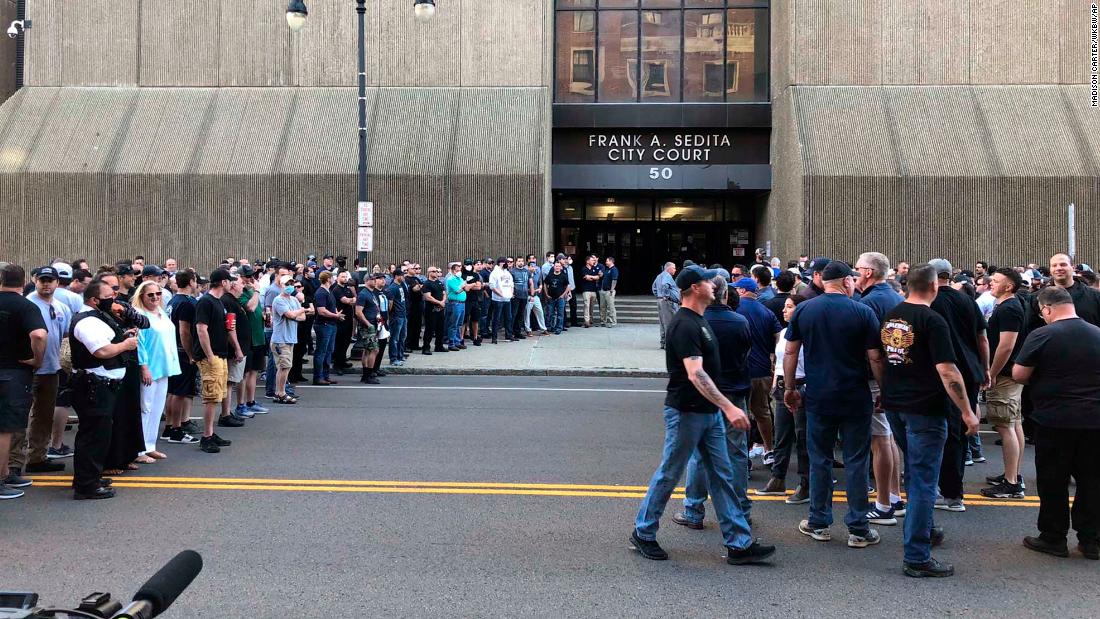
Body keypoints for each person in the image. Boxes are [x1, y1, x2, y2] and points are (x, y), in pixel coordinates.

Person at [631, 266, 775, 565]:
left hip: (707, 413)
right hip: (686, 412)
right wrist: (729, 407)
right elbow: (695, 374)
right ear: (695, 288)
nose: (714, 285)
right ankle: (643, 532)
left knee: (722, 475)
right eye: (708, 281)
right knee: (670, 473)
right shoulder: (685, 324)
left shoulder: (701, 320)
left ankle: (739, 543)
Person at [878, 264, 980, 577]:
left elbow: (882, 358)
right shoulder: (932, 320)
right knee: (923, 480)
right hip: (925, 408)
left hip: (897, 405)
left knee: (915, 472)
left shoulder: (892, 314)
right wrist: (967, 411)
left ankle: (925, 529)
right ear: (935, 286)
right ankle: (917, 556)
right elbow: (948, 370)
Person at [784, 261, 885, 548]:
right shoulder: (862, 311)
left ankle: (819, 522)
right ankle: (859, 527)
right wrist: (884, 389)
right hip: (855, 395)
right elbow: (875, 357)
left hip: (819, 395)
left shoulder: (804, 309)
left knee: (820, 459)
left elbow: (791, 352)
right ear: (846, 282)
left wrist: (790, 387)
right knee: (856, 460)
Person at [1012, 286, 1100, 560]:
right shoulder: (1097, 333)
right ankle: (1091, 540)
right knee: (1092, 481)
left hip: (1055, 419)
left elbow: (1019, 374)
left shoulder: (1042, 335)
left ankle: (1053, 537)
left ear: (1046, 309)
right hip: (1094, 420)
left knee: (1053, 480)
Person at [672, 276, 754, 529]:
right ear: (726, 295)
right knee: (736, 453)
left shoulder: (698, 322)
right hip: (734, 391)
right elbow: (746, 352)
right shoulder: (740, 322)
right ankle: (740, 508)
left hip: (704, 395)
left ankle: (694, 509)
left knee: (699, 455)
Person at [927, 259, 990, 513]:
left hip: (943, 373)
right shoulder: (967, 300)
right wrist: (985, 368)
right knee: (961, 432)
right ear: (949, 275)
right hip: (970, 370)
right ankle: (954, 490)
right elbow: (982, 338)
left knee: (942, 433)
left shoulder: (929, 302)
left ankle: (948, 492)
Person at [68, 280, 136, 500]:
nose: (113, 299)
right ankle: (86, 485)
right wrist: (126, 345)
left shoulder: (98, 316)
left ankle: (89, 477)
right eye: (108, 296)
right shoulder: (87, 321)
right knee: (93, 436)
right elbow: (102, 351)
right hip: (94, 386)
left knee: (99, 434)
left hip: (102, 385)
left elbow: (108, 342)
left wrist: (123, 337)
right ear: (94, 300)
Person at [854, 251, 905, 525]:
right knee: (889, 438)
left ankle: (884, 504)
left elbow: (872, 351)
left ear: (868, 272)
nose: (855, 273)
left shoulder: (869, 302)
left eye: (858, 268)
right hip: (892, 376)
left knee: (881, 439)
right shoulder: (895, 297)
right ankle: (894, 497)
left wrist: (882, 386)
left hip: (877, 378)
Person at [0, 264, 47, 498]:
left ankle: (7, 474)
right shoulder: (26, 306)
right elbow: (39, 334)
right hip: (13, 373)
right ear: (24, 281)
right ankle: (1, 479)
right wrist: (37, 359)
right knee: (5, 429)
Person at [980, 267, 1027, 499]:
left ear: (1008, 286)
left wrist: (992, 372)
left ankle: (1011, 484)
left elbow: (1006, 345)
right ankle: (1013, 475)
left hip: (1005, 375)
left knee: (1005, 427)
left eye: (996, 281)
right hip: (1009, 375)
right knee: (1013, 424)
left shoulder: (1009, 308)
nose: (991, 283)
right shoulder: (1008, 305)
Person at [759, 294, 809, 501]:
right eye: (785, 306)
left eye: (789, 307)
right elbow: (779, 362)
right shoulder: (783, 332)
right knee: (781, 435)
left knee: (802, 436)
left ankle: (805, 483)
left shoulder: (808, 332)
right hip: (781, 386)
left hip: (800, 386)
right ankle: (777, 478)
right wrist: (774, 384)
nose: (784, 310)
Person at [732, 277, 782, 465]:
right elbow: (778, 337)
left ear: (743, 291)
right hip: (762, 370)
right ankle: (768, 450)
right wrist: (773, 360)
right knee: (763, 412)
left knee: (740, 413)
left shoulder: (735, 310)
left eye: (737, 289)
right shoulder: (766, 312)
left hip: (740, 371)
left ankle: (743, 457)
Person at [132, 279, 179, 462]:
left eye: (158, 293)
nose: (155, 297)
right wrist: (144, 367)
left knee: (157, 409)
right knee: (145, 408)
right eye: (150, 294)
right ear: (142, 296)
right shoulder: (139, 315)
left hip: (164, 366)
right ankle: (139, 450)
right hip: (149, 368)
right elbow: (139, 343)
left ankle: (149, 445)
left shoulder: (161, 312)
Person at [193, 269, 237, 453]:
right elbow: (201, 329)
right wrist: (210, 355)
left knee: (218, 394)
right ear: (223, 282)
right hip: (211, 357)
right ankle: (206, 437)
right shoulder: (206, 301)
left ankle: (210, 432)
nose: (232, 284)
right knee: (211, 397)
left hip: (221, 354)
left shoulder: (218, 301)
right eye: (229, 281)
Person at [272, 275, 312, 403]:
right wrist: (301, 310)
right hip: (281, 339)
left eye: (291, 284)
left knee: (285, 367)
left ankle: (279, 392)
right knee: (284, 366)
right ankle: (281, 393)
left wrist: (296, 313)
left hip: (290, 338)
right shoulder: (278, 300)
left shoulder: (294, 300)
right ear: (281, 285)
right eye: (286, 284)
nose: (289, 286)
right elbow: (290, 314)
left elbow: (302, 317)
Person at [311, 271, 342, 385]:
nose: (334, 279)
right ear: (328, 279)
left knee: (329, 351)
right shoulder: (321, 292)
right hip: (323, 325)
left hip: (331, 324)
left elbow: (331, 307)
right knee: (321, 352)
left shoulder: (329, 291)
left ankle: (325, 375)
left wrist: (336, 314)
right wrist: (335, 315)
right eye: (332, 277)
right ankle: (318, 377)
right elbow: (321, 311)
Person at [354, 274, 382, 384]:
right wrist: (368, 324)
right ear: (366, 281)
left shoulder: (371, 293)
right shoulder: (363, 294)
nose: (375, 281)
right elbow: (358, 312)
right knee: (374, 350)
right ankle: (369, 375)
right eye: (372, 279)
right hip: (367, 326)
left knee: (367, 350)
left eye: (375, 279)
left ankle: (365, 375)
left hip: (374, 324)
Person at [331, 271, 358, 373]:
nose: (345, 278)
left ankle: (342, 360)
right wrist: (352, 300)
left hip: (348, 318)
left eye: (346, 276)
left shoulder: (347, 288)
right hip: (340, 319)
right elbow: (345, 300)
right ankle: (337, 365)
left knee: (346, 341)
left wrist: (352, 299)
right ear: (337, 277)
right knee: (339, 342)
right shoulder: (336, 289)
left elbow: (355, 299)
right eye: (342, 276)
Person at [652, 262, 679, 349]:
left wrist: (659, 296)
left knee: (662, 322)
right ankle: (668, 344)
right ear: (668, 268)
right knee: (669, 322)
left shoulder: (659, 276)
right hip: (667, 302)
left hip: (660, 301)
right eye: (674, 268)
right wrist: (666, 296)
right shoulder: (667, 276)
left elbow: (654, 287)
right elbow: (664, 285)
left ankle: (663, 342)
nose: (675, 270)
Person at [385, 269, 409, 365]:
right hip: (396, 316)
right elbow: (390, 303)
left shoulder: (400, 286)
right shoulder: (392, 288)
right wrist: (390, 315)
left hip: (403, 314)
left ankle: (400, 355)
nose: (403, 277)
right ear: (396, 276)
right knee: (394, 338)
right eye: (402, 275)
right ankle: (393, 358)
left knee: (402, 337)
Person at [421, 266, 447, 354]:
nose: (436, 273)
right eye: (434, 271)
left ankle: (439, 346)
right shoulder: (427, 284)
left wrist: (443, 302)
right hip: (431, 309)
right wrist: (439, 303)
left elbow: (444, 293)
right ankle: (426, 348)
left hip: (440, 309)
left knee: (440, 328)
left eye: (437, 271)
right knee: (429, 329)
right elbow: (428, 297)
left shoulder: (439, 282)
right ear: (429, 272)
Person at [488, 257, 515, 344]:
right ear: (501, 263)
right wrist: (500, 294)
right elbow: (492, 286)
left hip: (507, 299)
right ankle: (494, 337)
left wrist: (511, 293)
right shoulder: (495, 273)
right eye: (505, 262)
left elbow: (511, 284)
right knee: (497, 318)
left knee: (508, 317)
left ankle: (509, 335)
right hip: (498, 299)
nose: (507, 264)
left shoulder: (507, 272)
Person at [444, 262, 468, 351]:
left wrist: (465, 286)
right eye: (457, 270)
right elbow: (457, 291)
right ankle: (451, 343)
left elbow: (466, 288)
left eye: (460, 270)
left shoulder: (460, 279)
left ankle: (457, 342)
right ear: (453, 270)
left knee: (459, 324)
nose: (459, 272)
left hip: (462, 303)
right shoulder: (450, 279)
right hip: (455, 303)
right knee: (453, 324)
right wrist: (464, 286)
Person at [543, 261, 569, 335]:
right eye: (556, 266)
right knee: (549, 314)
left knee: (560, 314)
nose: (557, 267)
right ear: (554, 267)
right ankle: (549, 327)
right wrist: (546, 294)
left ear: (561, 267)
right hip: (551, 298)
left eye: (559, 266)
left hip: (560, 298)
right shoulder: (550, 275)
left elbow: (568, 286)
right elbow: (545, 284)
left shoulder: (563, 276)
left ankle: (558, 328)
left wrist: (563, 295)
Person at [510, 257, 532, 338]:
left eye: (522, 261)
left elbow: (530, 283)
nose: (521, 262)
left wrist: (531, 294)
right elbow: (510, 284)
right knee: (514, 314)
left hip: (524, 296)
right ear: (516, 262)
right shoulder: (512, 271)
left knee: (521, 314)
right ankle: (510, 332)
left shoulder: (527, 271)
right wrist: (511, 293)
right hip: (515, 296)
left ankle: (518, 332)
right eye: (519, 261)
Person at [580, 255, 601, 328]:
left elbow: (598, 277)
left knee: (592, 306)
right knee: (587, 305)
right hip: (586, 290)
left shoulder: (594, 268)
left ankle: (591, 320)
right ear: (587, 261)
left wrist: (591, 276)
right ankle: (586, 321)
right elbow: (586, 277)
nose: (593, 261)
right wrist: (593, 277)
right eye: (592, 260)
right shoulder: (584, 269)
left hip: (593, 290)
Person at [599, 257, 618, 327]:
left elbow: (614, 280)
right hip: (603, 290)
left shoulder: (614, 269)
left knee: (611, 307)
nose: (606, 262)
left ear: (611, 261)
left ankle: (612, 321)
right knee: (602, 307)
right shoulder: (607, 270)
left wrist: (612, 289)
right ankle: (603, 321)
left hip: (609, 291)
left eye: (607, 261)